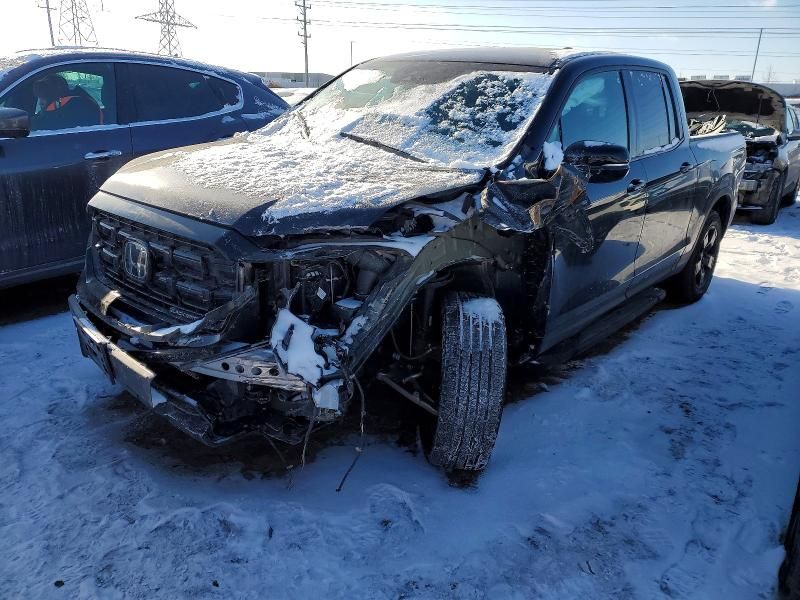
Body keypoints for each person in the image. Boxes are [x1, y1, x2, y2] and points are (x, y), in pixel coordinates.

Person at [31, 73, 100, 130]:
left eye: (43, 97)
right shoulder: (65, 104)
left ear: (54, 95)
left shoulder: (73, 109)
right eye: (39, 98)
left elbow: (45, 124)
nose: (40, 103)